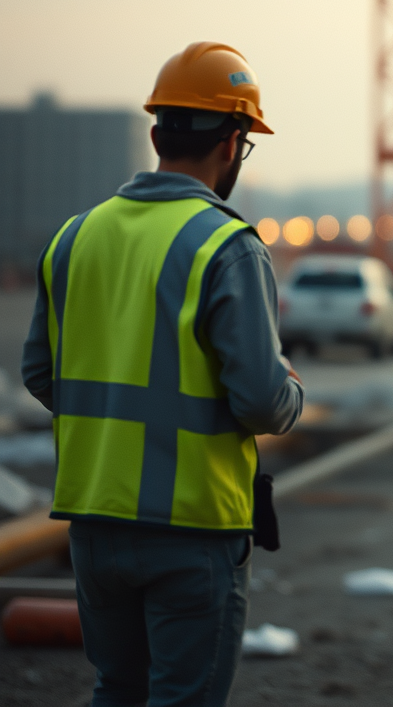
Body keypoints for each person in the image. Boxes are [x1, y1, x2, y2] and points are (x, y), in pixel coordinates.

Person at [21, 41, 303, 707]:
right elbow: (263, 401)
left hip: (92, 520)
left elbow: (40, 372)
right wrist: (290, 386)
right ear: (232, 143)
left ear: (156, 133)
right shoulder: (225, 245)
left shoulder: (75, 236)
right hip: (193, 528)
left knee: (116, 689)